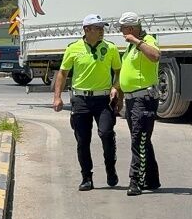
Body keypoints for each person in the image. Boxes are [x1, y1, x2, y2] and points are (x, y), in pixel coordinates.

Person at [52, 14, 122, 191]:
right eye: (97, 28)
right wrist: (57, 97)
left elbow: (119, 71)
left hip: (103, 99)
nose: (101, 32)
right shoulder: (73, 49)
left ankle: (110, 168)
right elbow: (63, 73)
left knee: (106, 133)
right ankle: (86, 177)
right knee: (83, 140)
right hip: (81, 99)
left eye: (102, 28)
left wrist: (116, 87)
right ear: (86, 30)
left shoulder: (111, 49)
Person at [117, 12, 162, 196]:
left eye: (122, 28)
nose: (120, 32)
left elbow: (156, 56)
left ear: (130, 29)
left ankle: (136, 180)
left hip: (144, 100)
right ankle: (152, 178)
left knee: (139, 140)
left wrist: (136, 41)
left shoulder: (147, 40)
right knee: (142, 139)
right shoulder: (130, 47)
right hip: (132, 99)